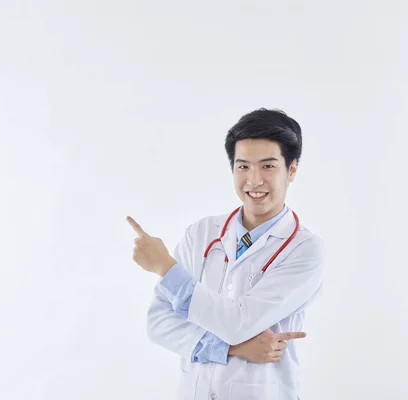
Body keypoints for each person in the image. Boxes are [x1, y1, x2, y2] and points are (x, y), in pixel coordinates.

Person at [127, 108, 325, 400]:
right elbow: (159, 322)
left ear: (291, 170)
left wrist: (166, 268)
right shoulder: (201, 233)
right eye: (243, 166)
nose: (254, 181)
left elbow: (238, 322)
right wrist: (228, 348)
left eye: (268, 167)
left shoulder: (305, 250)